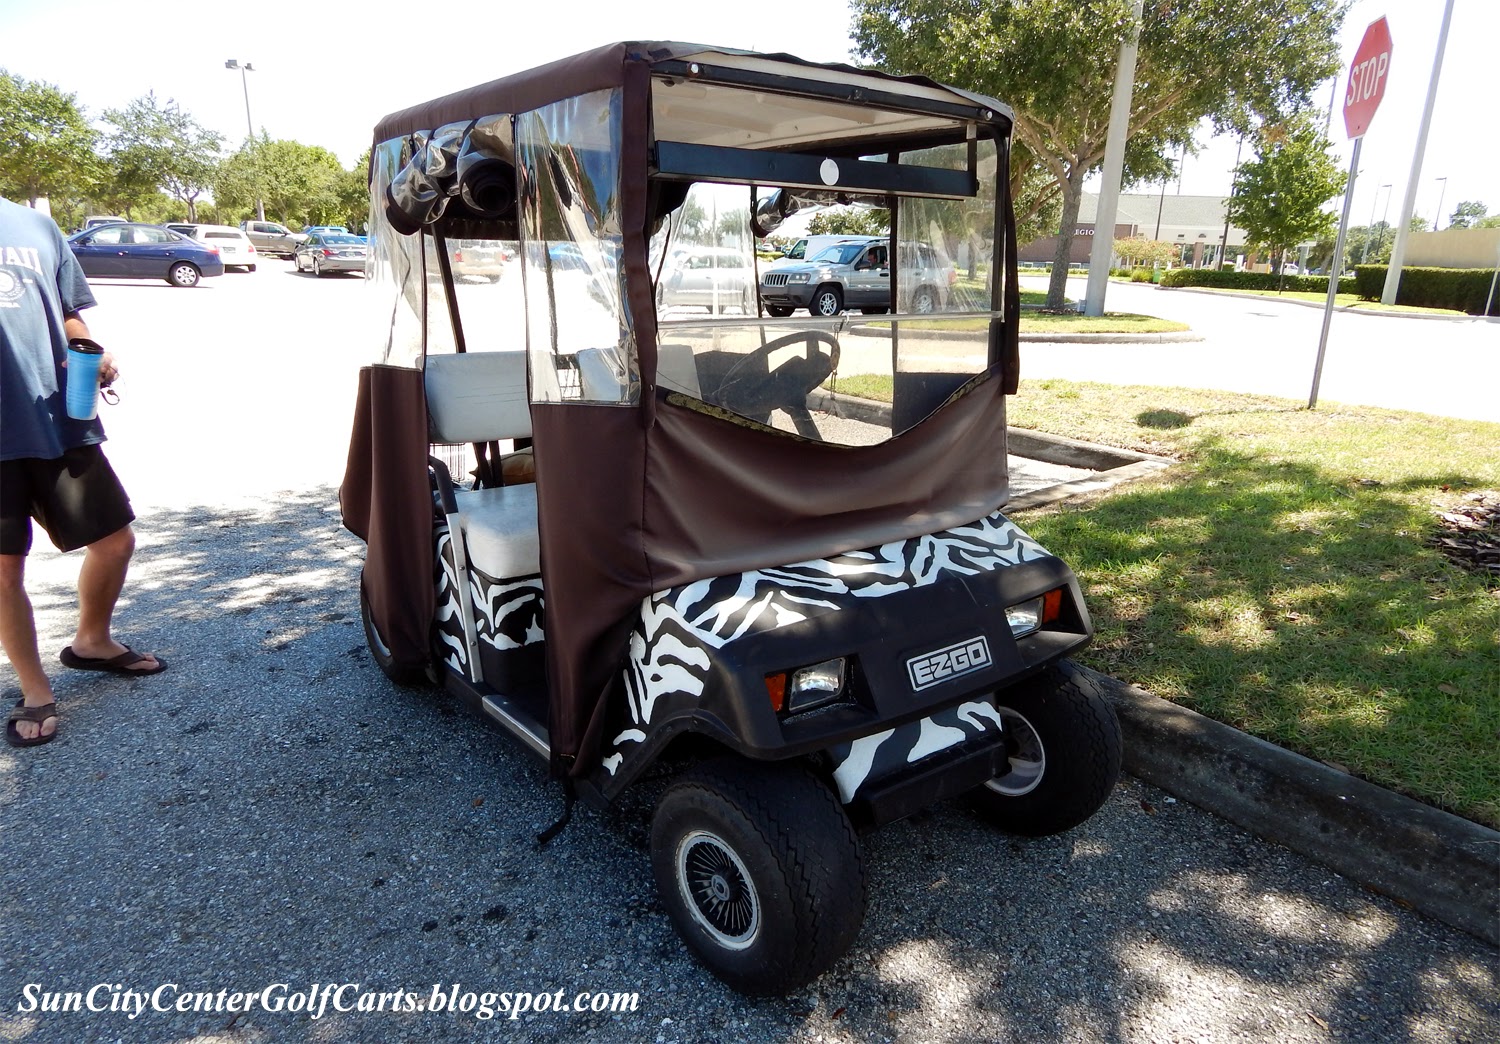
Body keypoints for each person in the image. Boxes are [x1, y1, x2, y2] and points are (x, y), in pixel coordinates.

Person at [1, 198, 165, 749]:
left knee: (115, 543)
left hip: (56, 417)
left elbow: (68, 310)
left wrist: (87, 350)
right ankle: (34, 689)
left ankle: (92, 641)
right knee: (4, 572)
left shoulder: (35, 225)